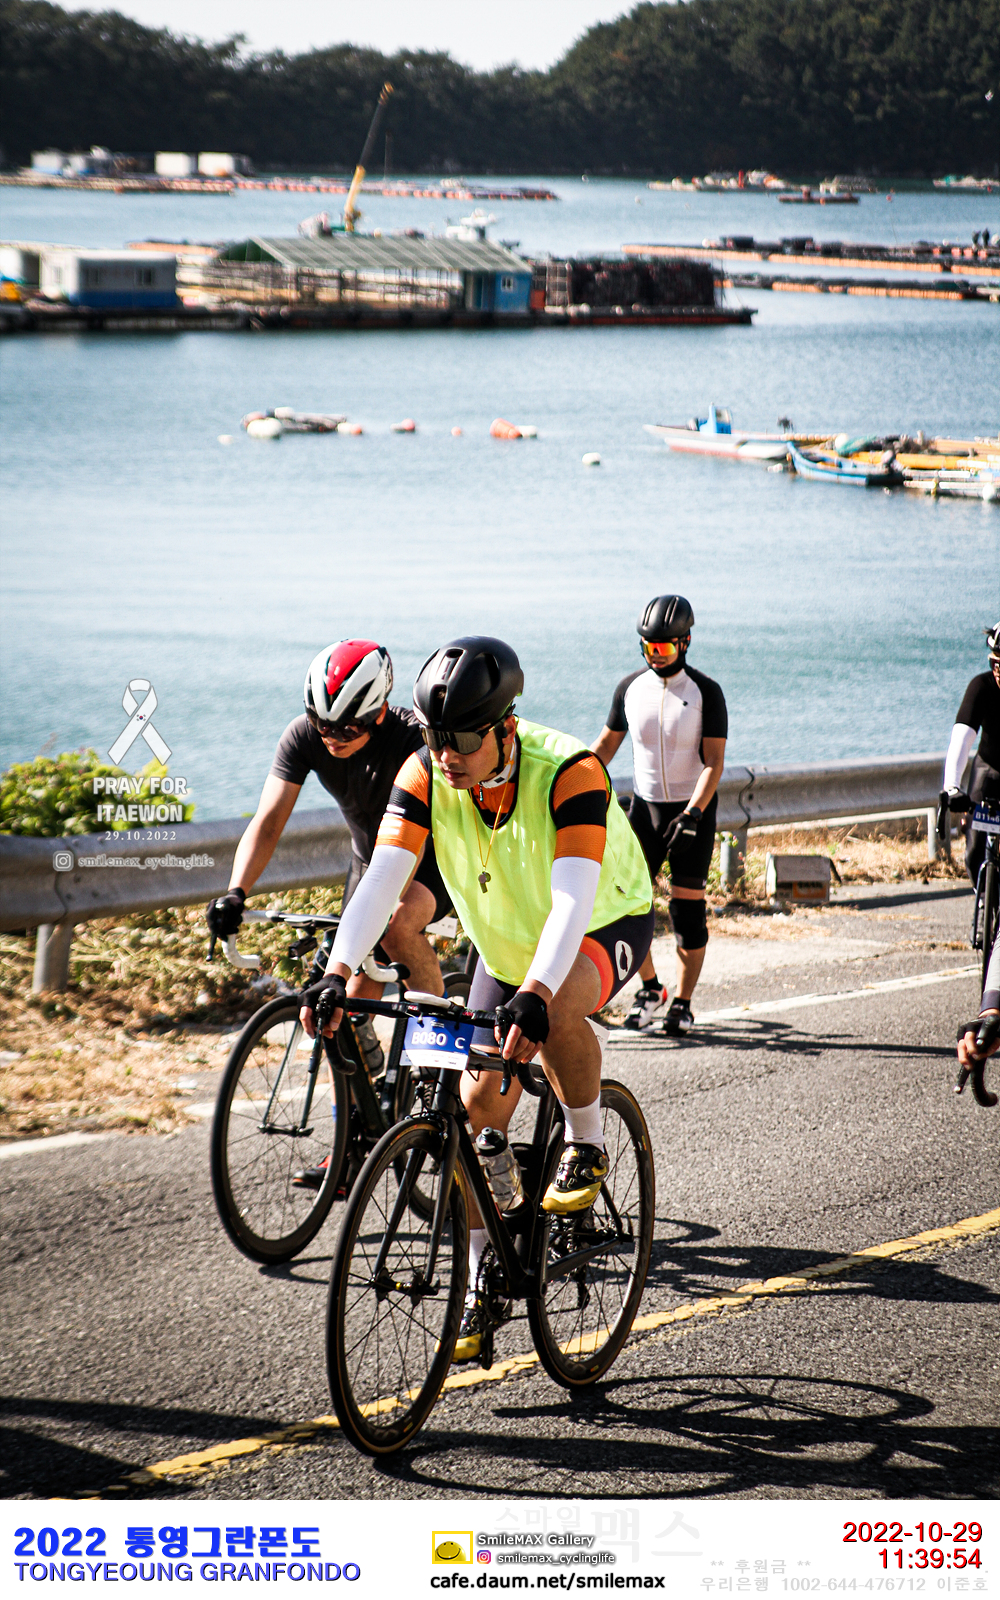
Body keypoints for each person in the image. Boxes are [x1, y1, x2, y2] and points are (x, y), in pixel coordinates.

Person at [299, 636, 654, 1362]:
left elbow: (571, 900)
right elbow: (383, 878)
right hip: (507, 944)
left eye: (463, 738)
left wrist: (537, 993)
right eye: (435, 736)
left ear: (505, 727)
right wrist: (337, 972)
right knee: (476, 1106)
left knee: (555, 1011)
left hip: (604, 917)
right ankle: (481, 1277)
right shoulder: (426, 772)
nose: (446, 753)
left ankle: (587, 1142)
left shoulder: (570, 772)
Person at [206, 639, 451, 1186]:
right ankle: (350, 1146)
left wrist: (370, 929)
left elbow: (415, 845)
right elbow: (269, 821)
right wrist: (236, 892)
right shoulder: (303, 736)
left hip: (430, 863)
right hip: (368, 867)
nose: (332, 737)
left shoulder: (412, 740)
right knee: (338, 1006)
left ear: (378, 712)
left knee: (392, 928)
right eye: (323, 725)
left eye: (348, 728)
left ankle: (435, 1072)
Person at [591, 595, 727, 1034]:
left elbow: (714, 763)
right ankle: (651, 989)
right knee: (625, 905)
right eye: (648, 647)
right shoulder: (630, 689)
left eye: (665, 647)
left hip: (691, 813)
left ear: (685, 643)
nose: (656, 655)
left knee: (686, 912)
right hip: (644, 810)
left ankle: (682, 1003)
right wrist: (569, 781)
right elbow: (605, 747)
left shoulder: (706, 692)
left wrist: (693, 814)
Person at [938, 622, 1000, 886]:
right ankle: (985, 900)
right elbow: (961, 739)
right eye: (994, 663)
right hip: (990, 769)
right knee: (975, 852)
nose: (998, 671)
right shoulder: (981, 687)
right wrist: (951, 786)